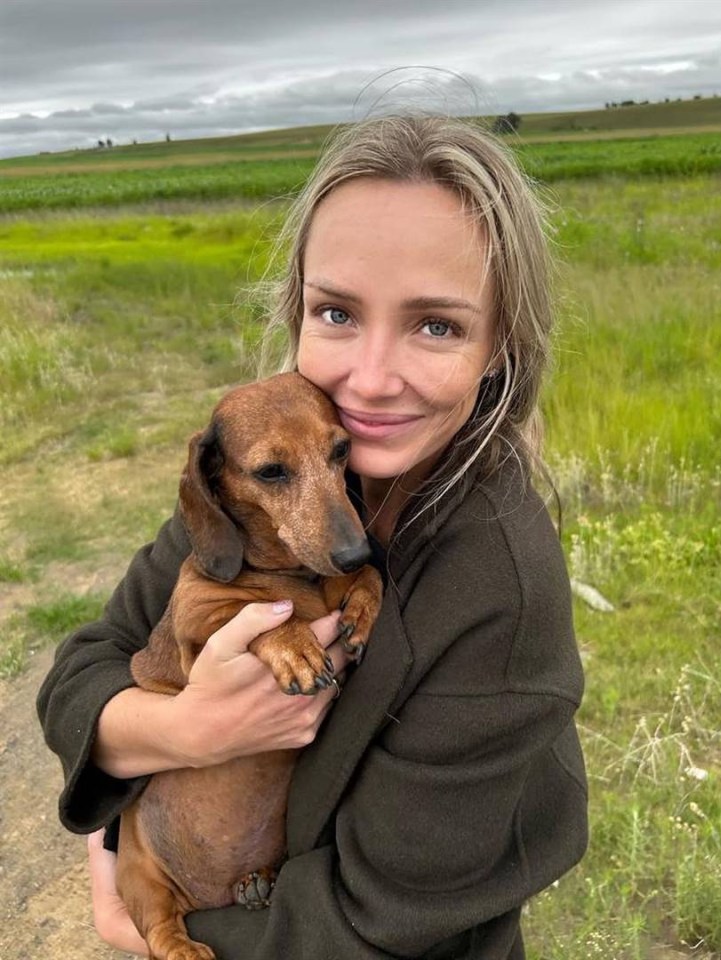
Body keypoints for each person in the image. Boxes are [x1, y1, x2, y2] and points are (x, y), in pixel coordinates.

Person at [37, 113, 588, 959]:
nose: (369, 380)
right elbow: (84, 666)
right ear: (297, 315)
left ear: (498, 350)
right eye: (336, 311)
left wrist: (141, 927)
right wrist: (191, 733)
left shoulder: (498, 590)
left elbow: (383, 922)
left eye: (436, 324)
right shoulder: (253, 486)